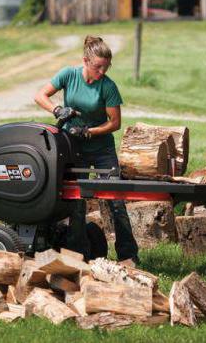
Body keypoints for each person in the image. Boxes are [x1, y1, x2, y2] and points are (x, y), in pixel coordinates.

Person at [34, 36, 139, 266]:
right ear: (85, 61)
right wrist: (58, 109)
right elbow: (40, 96)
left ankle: (128, 256)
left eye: (106, 67)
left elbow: (115, 123)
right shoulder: (68, 75)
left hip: (102, 151)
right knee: (77, 202)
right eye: (98, 66)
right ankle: (78, 255)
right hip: (74, 150)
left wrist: (91, 132)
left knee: (116, 203)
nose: (102, 71)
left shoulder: (108, 86)